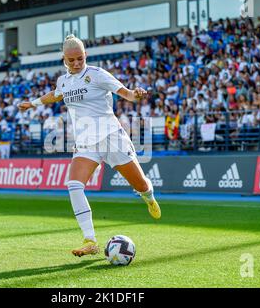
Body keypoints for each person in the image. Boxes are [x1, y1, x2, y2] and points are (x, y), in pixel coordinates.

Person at [18, 34, 161, 257]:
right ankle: (90, 240)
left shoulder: (96, 74)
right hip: (85, 143)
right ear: (64, 60)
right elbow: (55, 96)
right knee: (74, 185)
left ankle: (149, 197)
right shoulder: (64, 81)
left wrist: (136, 94)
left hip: (111, 137)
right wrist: (33, 103)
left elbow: (125, 92)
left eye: (80, 59)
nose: (76, 64)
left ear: (86, 56)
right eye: (71, 60)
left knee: (140, 184)